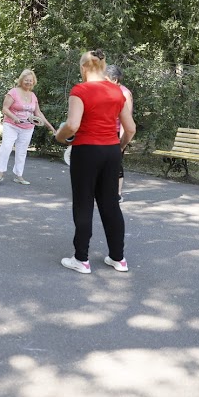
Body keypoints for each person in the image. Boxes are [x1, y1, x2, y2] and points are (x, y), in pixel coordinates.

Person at [56, 50, 136, 274]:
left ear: (83, 68)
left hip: (86, 151)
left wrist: (59, 138)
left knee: (83, 203)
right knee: (110, 203)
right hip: (111, 151)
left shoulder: (80, 90)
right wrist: (118, 146)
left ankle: (81, 259)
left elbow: (72, 126)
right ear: (103, 66)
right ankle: (118, 258)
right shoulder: (118, 92)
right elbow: (130, 129)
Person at [0, 69, 56, 185]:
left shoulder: (33, 95)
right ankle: (0, 174)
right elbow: (5, 108)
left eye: (31, 81)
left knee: (22, 151)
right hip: (11, 125)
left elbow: (38, 113)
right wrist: (14, 117)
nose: (28, 82)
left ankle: (18, 175)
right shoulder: (13, 92)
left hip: (28, 127)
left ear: (34, 82)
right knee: (6, 147)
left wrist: (50, 127)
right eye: (26, 80)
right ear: (21, 81)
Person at [105, 64, 133, 201]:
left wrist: (122, 142)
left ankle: (117, 193)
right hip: (104, 131)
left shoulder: (124, 93)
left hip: (117, 133)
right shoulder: (106, 91)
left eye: (106, 79)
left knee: (116, 164)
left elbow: (126, 121)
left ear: (115, 80)